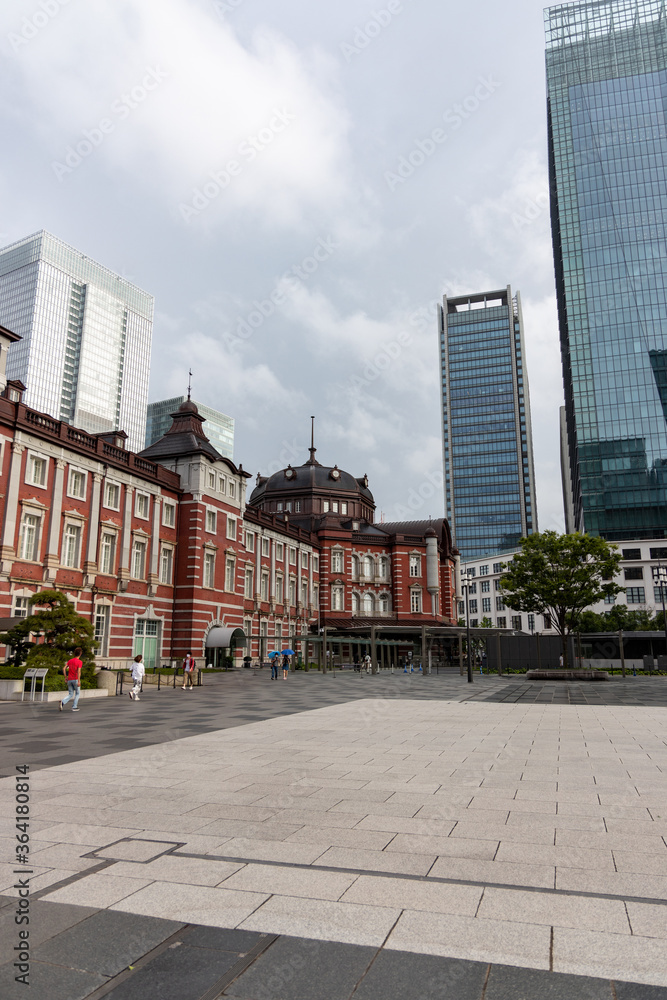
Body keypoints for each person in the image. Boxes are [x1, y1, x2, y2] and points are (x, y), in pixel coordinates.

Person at [60, 647, 83, 712]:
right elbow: (79, 672)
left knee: (70, 693)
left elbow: (64, 668)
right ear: (80, 654)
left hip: (69, 679)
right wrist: (79, 681)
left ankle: (62, 702)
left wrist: (65, 677)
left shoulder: (70, 661)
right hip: (75, 679)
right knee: (77, 693)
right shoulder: (79, 662)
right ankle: (74, 707)